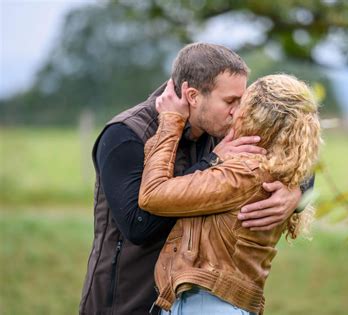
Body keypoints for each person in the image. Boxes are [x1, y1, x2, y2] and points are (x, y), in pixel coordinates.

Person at [79, 43, 306, 315]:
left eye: (241, 100)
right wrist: (210, 163)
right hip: (123, 303)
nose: (238, 112)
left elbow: (293, 151)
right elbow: (138, 226)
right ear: (193, 95)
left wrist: (298, 193)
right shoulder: (126, 135)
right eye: (230, 101)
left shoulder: (222, 128)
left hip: (184, 303)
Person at [139, 74, 321, 314]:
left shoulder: (246, 171)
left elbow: (152, 194)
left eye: (242, 105)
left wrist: (171, 121)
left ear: (257, 116)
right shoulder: (282, 169)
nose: (234, 113)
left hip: (205, 303)